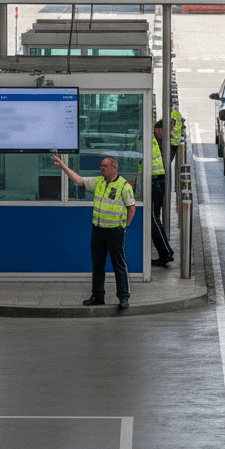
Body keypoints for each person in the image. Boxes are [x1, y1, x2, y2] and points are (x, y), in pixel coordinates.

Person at [51, 153, 135, 311]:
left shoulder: (124, 186)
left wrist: (124, 227)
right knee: (98, 265)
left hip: (115, 232)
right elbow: (78, 180)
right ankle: (98, 296)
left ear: (114, 167)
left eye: (104, 166)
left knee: (119, 265)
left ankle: (124, 297)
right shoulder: (99, 182)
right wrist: (63, 166)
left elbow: (131, 208)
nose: (101, 168)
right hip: (98, 231)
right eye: (101, 166)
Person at [150, 121, 175, 267]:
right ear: (157, 129)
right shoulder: (154, 140)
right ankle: (166, 252)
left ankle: (165, 253)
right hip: (154, 181)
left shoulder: (159, 142)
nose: (167, 135)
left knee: (153, 218)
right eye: (165, 131)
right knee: (154, 218)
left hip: (155, 182)